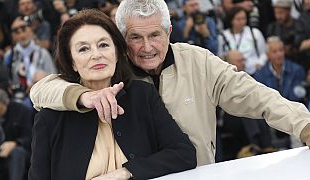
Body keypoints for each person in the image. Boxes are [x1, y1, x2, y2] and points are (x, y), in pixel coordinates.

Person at [30, 0, 310, 166]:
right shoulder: (110, 68)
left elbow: (259, 97)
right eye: (135, 38)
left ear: (170, 31)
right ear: (120, 37)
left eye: (155, 35)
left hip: (197, 172)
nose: (147, 47)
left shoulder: (198, 62)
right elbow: (43, 90)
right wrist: (81, 96)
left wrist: (303, 125)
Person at [28, 9, 196, 180]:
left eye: (103, 45)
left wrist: (125, 172)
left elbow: (184, 153)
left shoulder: (142, 95)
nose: (96, 55)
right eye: (84, 49)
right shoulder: (50, 117)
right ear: (72, 62)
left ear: (116, 53)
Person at [4, 17, 56, 109]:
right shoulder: (9, 55)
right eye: (17, 32)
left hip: (40, 96)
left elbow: (55, 77)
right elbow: (6, 79)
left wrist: (42, 78)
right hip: (17, 97)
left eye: (24, 29)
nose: (21, 35)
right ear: (13, 36)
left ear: (31, 31)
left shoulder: (42, 53)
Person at [0, 88, 32, 180]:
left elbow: (30, 136)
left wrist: (15, 143)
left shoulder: (21, 111)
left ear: (6, 103)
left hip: (16, 153)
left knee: (17, 153)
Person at [218, 7, 267, 75]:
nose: (242, 22)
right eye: (238, 19)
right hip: (233, 73)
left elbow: (264, 53)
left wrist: (260, 63)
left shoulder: (255, 33)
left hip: (254, 72)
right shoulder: (223, 36)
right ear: (231, 20)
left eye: (244, 18)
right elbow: (220, 56)